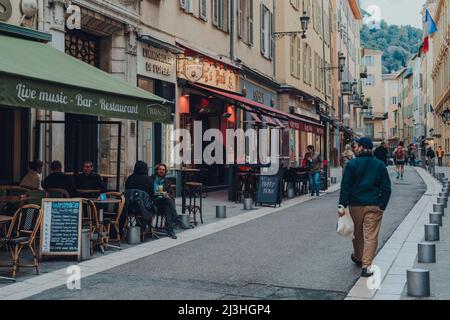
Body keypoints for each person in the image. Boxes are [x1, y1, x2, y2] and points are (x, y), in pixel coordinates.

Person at [338, 137, 391, 278]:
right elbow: (386, 187)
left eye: (357, 146)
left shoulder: (352, 164)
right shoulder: (379, 165)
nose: (355, 148)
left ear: (361, 148)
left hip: (355, 204)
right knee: (371, 235)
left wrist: (342, 205)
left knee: (357, 234)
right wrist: (382, 204)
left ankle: (359, 257)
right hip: (374, 204)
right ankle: (366, 266)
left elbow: (346, 186)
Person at [150, 164, 189, 237]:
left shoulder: (167, 182)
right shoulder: (151, 179)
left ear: (165, 172)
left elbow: (172, 194)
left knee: (167, 205)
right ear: (157, 170)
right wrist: (155, 193)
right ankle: (176, 219)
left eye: (163, 170)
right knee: (167, 201)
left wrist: (167, 195)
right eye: (160, 169)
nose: (161, 171)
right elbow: (148, 191)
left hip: (163, 202)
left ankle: (170, 230)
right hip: (153, 201)